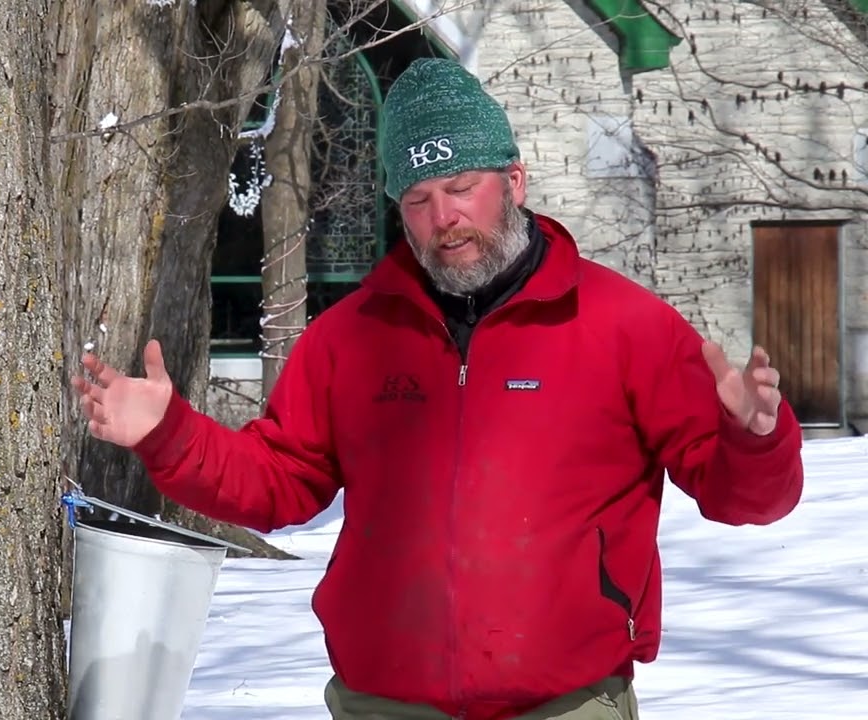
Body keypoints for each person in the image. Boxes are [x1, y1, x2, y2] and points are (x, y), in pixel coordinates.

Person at [70, 57, 804, 720]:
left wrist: (757, 439)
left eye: (462, 187)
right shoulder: (350, 339)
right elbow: (277, 483)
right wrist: (170, 433)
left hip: (564, 702)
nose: (445, 218)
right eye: (418, 198)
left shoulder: (622, 325)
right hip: (385, 703)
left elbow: (748, 497)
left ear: (512, 182)